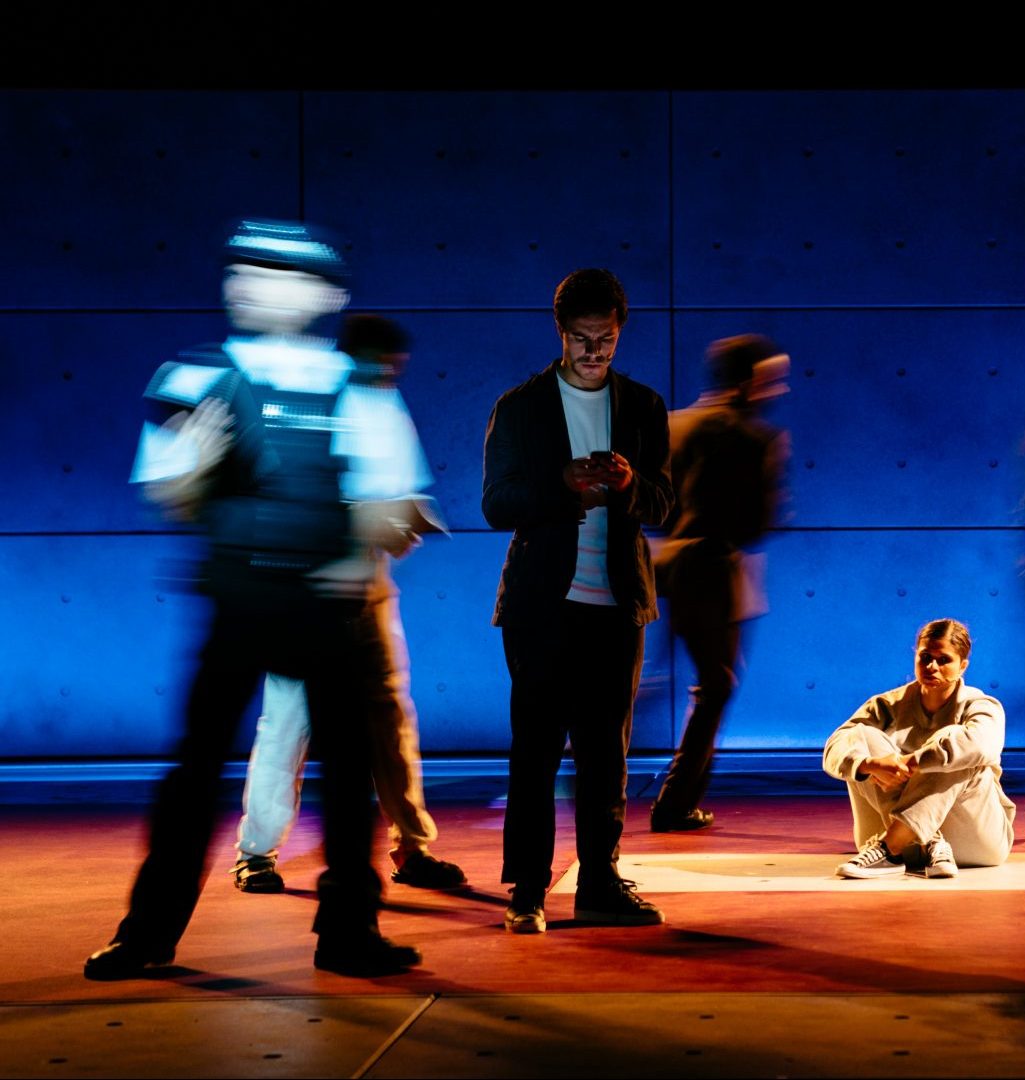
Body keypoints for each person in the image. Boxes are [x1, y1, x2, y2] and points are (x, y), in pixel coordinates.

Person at [87, 220, 425, 979]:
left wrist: (360, 541)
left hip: (325, 607)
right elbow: (170, 495)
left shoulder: (357, 387)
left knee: (345, 778)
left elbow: (386, 503)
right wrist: (199, 466)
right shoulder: (193, 377)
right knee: (195, 773)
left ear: (324, 294)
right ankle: (147, 934)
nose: (251, 283)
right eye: (244, 270)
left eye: (277, 273)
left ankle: (349, 932)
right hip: (237, 600)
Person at [230, 315, 465, 894]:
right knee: (288, 724)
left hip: (367, 588)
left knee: (389, 724)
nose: (386, 378)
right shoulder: (304, 407)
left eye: (392, 370)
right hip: (304, 592)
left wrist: (403, 521)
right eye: (377, 367)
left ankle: (410, 847)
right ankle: (256, 853)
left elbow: (403, 495)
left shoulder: (385, 405)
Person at [481, 268, 675, 934]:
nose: (593, 352)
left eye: (605, 339)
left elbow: (666, 505)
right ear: (560, 333)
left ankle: (599, 882)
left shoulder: (644, 408)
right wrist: (562, 486)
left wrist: (626, 486)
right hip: (540, 605)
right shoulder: (522, 407)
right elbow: (495, 504)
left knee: (606, 753)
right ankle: (527, 889)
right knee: (533, 749)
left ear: (620, 332)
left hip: (617, 604)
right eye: (582, 339)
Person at [648, 334, 791, 833]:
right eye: (773, 378)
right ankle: (676, 800)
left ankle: (618, 780)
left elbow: (651, 505)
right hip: (719, 571)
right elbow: (758, 523)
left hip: (664, 566)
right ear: (750, 380)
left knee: (650, 679)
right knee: (715, 686)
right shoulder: (756, 438)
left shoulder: (670, 426)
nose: (779, 389)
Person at [823, 619, 1016, 879]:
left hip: (975, 843)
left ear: (962, 666)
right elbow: (834, 747)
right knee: (860, 736)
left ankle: (891, 848)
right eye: (925, 657)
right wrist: (872, 765)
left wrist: (913, 762)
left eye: (943, 659)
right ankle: (923, 838)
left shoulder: (981, 705)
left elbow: (982, 744)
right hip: (896, 838)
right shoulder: (886, 704)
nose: (931, 667)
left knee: (955, 741)